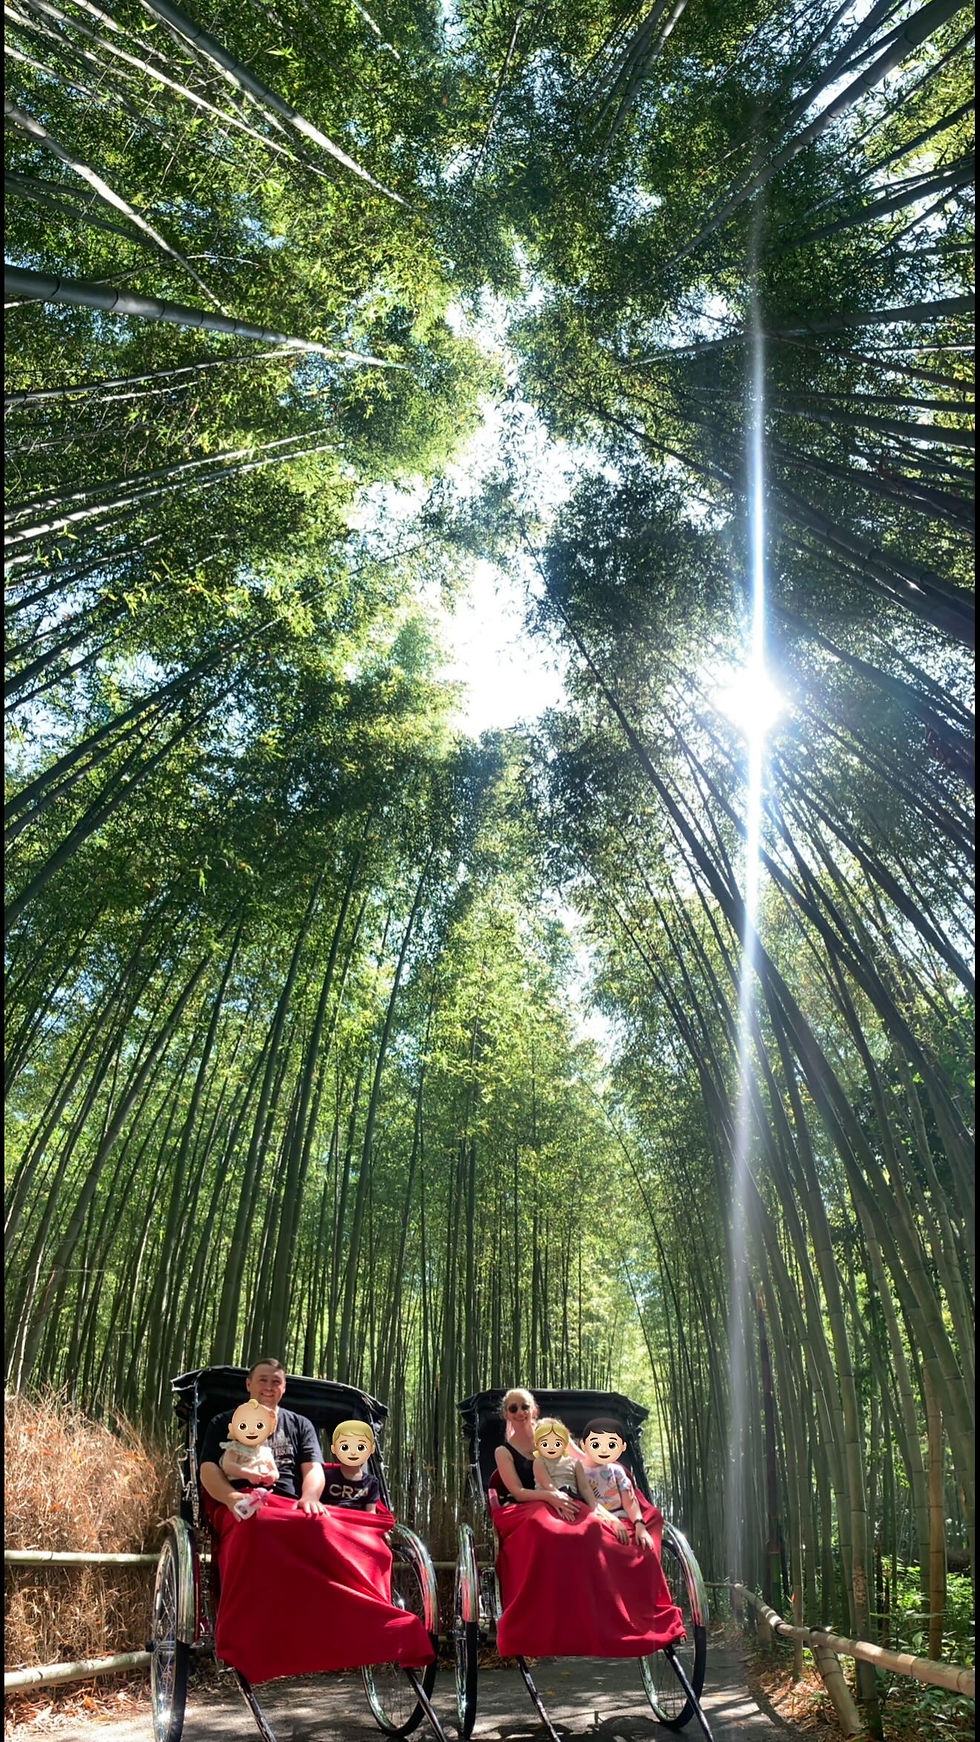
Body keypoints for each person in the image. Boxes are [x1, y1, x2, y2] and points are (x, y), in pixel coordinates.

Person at [200, 1356, 327, 1519]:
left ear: (284, 1388)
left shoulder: (301, 1424)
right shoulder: (223, 1422)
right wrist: (231, 1497)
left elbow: (313, 1468)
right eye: (262, 1380)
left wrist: (310, 1496)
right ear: (248, 1384)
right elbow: (208, 1468)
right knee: (255, 1521)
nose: (269, 1387)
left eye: (276, 1382)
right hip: (241, 1500)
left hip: (289, 1503)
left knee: (319, 1524)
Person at [494, 1388, 577, 1520]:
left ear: (535, 1410)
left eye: (525, 1407)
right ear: (506, 1415)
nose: (520, 1412)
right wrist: (550, 1496)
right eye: (513, 1409)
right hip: (529, 1507)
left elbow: (581, 1460)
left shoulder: (552, 1432)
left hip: (565, 1497)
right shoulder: (503, 1452)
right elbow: (518, 1492)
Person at [578, 1417, 654, 1550]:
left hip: (622, 1518)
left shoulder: (617, 1471)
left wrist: (639, 1524)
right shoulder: (577, 1471)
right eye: (596, 1444)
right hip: (594, 1520)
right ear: (583, 1444)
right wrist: (611, 1522)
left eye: (611, 1445)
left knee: (644, 1547)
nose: (603, 1450)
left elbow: (629, 1502)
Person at [321, 1419, 381, 1510]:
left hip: (357, 1522)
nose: (353, 1453)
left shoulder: (371, 1483)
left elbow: (371, 1513)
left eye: (360, 1447)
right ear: (334, 1449)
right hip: (329, 1520)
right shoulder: (325, 1476)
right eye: (345, 1447)